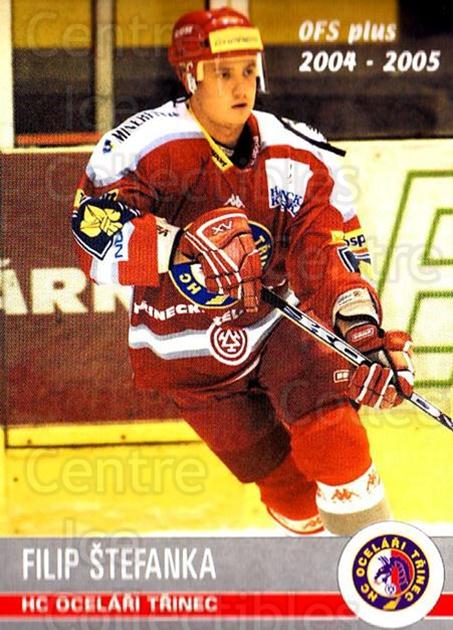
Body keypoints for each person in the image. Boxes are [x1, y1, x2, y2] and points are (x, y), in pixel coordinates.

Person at [71, 7, 414, 535]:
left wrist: (359, 330)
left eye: (250, 70)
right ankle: (315, 558)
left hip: (280, 326)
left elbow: (327, 247)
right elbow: (93, 242)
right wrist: (175, 247)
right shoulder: (138, 147)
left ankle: (376, 563)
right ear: (191, 76)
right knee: (287, 491)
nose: (241, 86)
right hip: (186, 350)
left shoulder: (297, 151)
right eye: (224, 73)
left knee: (336, 437)